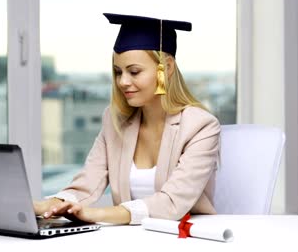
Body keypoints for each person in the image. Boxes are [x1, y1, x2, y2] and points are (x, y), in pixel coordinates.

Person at [34, 13, 221, 225]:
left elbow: (172, 202)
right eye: (117, 72)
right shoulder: (114, 122)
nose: (123, 82)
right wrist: (49, 205)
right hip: (129, 239)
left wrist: (97, 214)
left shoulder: (200, 126)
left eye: (134, 71)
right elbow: (88, 183)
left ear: (166, 68)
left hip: (185, 236)